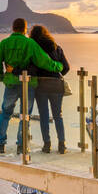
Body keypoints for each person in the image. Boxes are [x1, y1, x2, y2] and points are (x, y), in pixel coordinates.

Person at [0, 17, 62, 153]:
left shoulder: (4, 43)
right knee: (25, 116)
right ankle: (21, 145)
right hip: (28, 84)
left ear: (13, 28)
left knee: (5, 113)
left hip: (11, 83)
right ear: (25, 29)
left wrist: (3, 77)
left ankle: (0, 144)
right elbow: (44, 62)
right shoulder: (30, 44)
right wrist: (58, 66)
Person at [27, 24, 70, 153]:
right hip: (56, 85)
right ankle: (62, 145)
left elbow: (31, 68)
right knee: (58, 115)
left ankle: (47, 145)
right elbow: (66, 67)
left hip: (41, 85)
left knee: (44, 116)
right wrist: (56, 74)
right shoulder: (57, 48)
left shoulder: (34, 49)